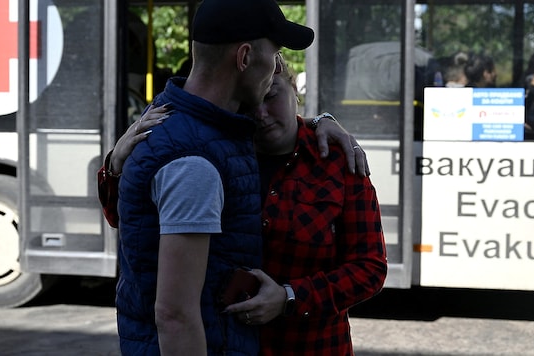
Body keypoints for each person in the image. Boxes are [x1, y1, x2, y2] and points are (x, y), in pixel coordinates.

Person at [101, 55, 387, 355]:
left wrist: (291, 297)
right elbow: (130, 223)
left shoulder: (336, 160)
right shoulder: (217, 155)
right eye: (252, 105)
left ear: (295, 90)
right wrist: (117, 164)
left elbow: (370, 268)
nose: (262, 114)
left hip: (311, 346)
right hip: (227, 344)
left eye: (273, 96)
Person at [113, 0, 314, 354]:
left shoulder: (178, 120)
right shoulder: (194, 163)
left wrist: (322, 122)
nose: (276, 69)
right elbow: (175, 315)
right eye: (275, 55)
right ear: (245, 57)